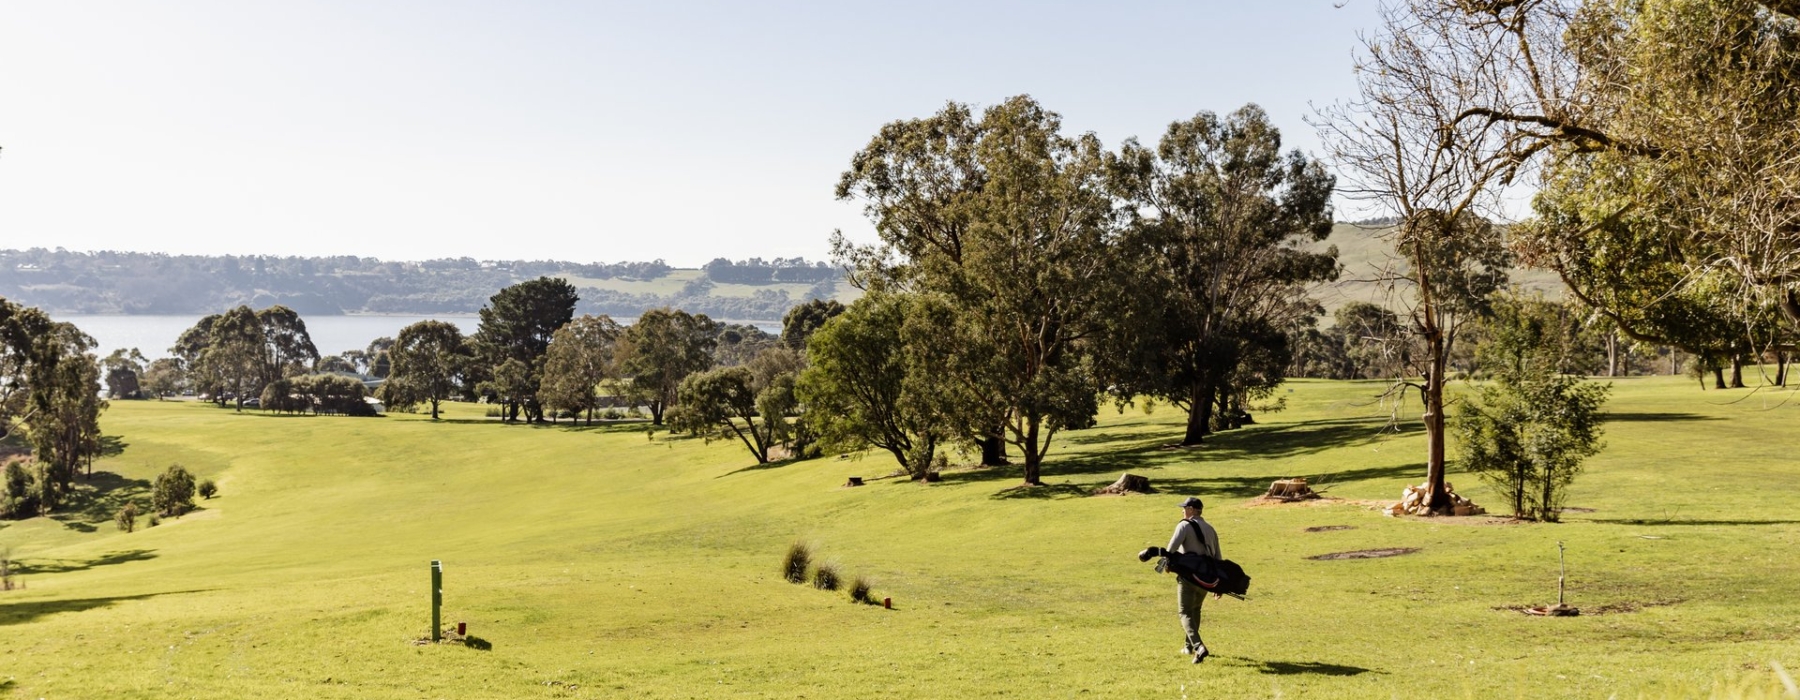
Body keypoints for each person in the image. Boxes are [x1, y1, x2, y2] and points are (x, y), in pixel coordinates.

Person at [1168, 495, 1220, 664]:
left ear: (1191, 510)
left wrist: (1166, 565)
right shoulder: (1211, 529)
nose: (1183, 510)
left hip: (1189, 576)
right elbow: (1218, 558)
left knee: (1184, 612)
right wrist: (1218, 584)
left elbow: (1171, 550)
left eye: (1184, 508)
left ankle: (1198, 646)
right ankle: (1188, 647)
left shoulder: (1184, 525)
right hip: (1206, 579)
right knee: (1195, 610)